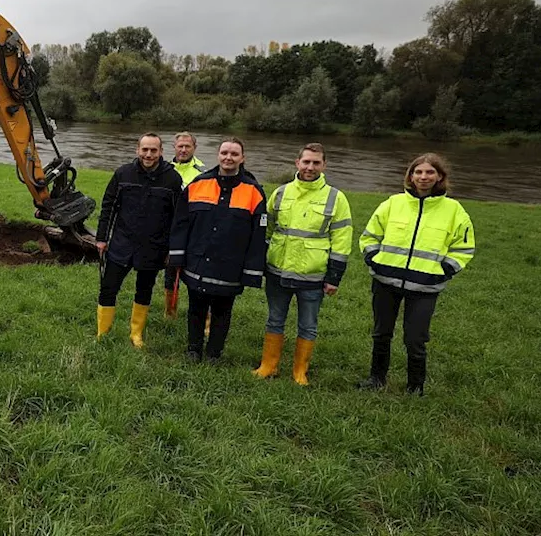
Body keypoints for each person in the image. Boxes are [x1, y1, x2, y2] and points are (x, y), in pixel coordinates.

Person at [357, 153, 475, 396]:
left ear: (440, 176)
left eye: (430, 172)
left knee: (415, 339)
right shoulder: (393, 203)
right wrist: (375, 261)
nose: (423, 177)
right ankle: (377, 378)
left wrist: (443, 272)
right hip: (385, 282)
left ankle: (415, 386)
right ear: (410, 175)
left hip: (425, 287)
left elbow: (464, 248)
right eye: (418, 172)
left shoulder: (454, 210)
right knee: (381, 333)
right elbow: (369, 236)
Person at [252, 143, 353, 385]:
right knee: (274, 319)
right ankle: (269, 365)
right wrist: (262, 260)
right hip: (277, 271)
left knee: (308, 326)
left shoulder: (336, 198)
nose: (310, 167)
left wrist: (334, 277)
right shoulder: (281, 193)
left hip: (313, 276)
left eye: (316, 163)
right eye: (306, 162)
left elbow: (342, 240)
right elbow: (266, 230)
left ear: (324, 165)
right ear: (297, 163)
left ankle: (300, 371)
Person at [168, 136, 268, 363]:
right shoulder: (198, 184)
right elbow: (180, 223)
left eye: (234, 154)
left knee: (222, 311)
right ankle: (193, 349)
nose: (228, 158)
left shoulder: (254, 191)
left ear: (242, 158)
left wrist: (252, 271)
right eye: (224, 153)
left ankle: (214, 353)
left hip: (230, 266)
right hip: (197, 261)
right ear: (218, 155)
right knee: (196, 308)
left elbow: (258, 236)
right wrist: (177, 256)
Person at [94, 133, 185, 348]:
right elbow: (108, 207)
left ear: (161, 152)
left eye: (153, 150)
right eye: (145, 149)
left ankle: (136, 334)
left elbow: (178, 218)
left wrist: (173, 248)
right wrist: (101, 238)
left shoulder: (173, 180)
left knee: (144, 289)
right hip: (121, 244)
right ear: (137, 150)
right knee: (108, 288)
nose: (149, 154)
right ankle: (102, 333)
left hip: (153, 247)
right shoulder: (122, 174)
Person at [163, 131, 206, 318]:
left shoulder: (202, 174)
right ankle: (170, 312)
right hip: (169, 229)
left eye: (187, 146)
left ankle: (200, 313)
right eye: (180, 146)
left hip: (193, 231)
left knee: (196, 273)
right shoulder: (164, 169)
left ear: (194, 148)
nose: (183, 150)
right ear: (174, 147)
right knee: (170, 271)